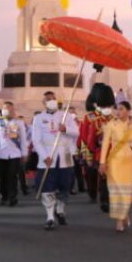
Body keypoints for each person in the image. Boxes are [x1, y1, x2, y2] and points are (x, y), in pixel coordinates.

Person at [33, 91, 79, 230]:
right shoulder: (39, 118)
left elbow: (76, 132)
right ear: (44, 102)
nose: (51, 101)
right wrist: (44, 155)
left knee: (64, 186)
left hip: (64, 156)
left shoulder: (66, 116)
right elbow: (36, 139)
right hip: (48, 157)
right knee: (48, 187)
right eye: (48, 99)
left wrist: (66, 129)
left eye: (53, 99)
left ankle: (60, 210)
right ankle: (50, 216)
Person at [99, 101, 132, 232]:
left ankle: (123, 215)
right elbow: (105, 144)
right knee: (115, 191)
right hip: (114, 161)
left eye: (121, 109)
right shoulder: (111, 125)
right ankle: (119, 219)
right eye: (117, 109)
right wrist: (102, 162)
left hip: (128, 161)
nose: (118, 112)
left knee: (125, 192)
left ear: (128, 111)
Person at [79, 83, 115, 211]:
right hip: (93, 151)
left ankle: (105, 200)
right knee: (91, 176)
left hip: (109, 153)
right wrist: (87, 153)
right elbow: (84, 136)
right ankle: (92, 193)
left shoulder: (113, 118)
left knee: (106, 177)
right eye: (105, 105)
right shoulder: (90, 117)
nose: (107, 108)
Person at [0, 101, 28, 207]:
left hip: (14, 153)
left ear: (13, 110)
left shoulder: (19, 122)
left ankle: (12, 197)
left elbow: (23, 139)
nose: (6, 110)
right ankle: (3, 196)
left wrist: (24, 153)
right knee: (2, 176)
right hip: (1, 153)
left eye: (8, 108)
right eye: (4, 108)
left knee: (12, 175)